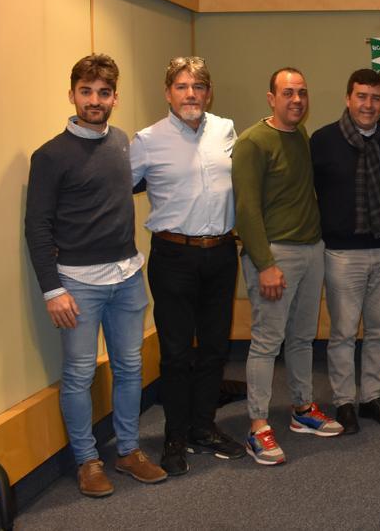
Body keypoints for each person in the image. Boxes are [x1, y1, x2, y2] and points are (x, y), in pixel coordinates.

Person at [25, 54, 166, 497]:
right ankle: (87, 461)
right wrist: (52, 289)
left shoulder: (122, 141)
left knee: (129, 367)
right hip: (77, 285)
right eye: (86, 92)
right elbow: (37, 227)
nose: (94, 100)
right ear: (72, 95)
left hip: (127, 277)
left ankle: (127, 450)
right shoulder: (49, 155)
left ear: (114, 98)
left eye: (103, 93)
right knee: (79, 374)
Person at [130, 56, 245, 475]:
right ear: (168, 93)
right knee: (177, 352)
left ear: (208, 92)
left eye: (198, 86)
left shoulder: (225, 129)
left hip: (220, 253)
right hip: (173, 256)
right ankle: (175, 435)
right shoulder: (146, 140)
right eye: (181, 87)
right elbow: (116, 190)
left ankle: (204, 427)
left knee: (216, 347)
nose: (190, 94)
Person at [233, 67, 341, 466]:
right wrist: (265, 264)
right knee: (265, 342)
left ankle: (301, 410)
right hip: (274, 256)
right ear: (271, 98)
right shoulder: (252, 143)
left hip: (311, 250)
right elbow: (245, 210)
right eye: (288, 93)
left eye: (302, 93)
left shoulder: (299, 137)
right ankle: (258, 426)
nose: (296, 100)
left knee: (301, 338)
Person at [310, 68, 380, 433]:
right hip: (342, 253)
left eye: (376, 97)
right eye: (362, 96)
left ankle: (371, 397)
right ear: (348, 98)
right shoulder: (322, 141)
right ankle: (343, 402)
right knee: (342, 332)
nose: (369, 105)